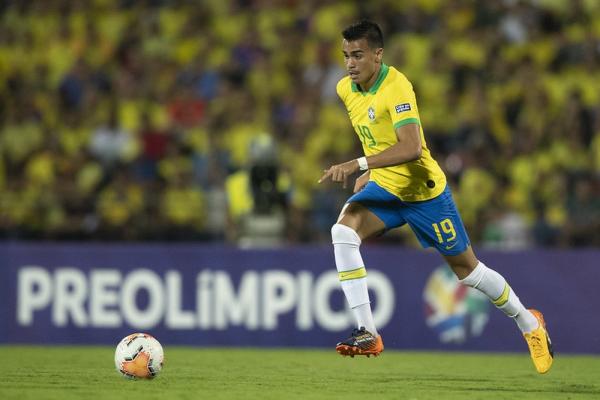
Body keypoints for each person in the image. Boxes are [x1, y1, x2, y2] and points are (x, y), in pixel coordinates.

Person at [318, 20, 553, 374]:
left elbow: (412, 147)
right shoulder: (345, 89)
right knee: (343, 232)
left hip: (423, 193)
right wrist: (372, 170)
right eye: (346, 56)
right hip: (385, 188)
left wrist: (358, 163)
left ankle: (529, 324)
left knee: (468, 271)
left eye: (358, 55)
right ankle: (368, 332)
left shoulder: (397, 86)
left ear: (378, 55)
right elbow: (377, 136)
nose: (350, 63)